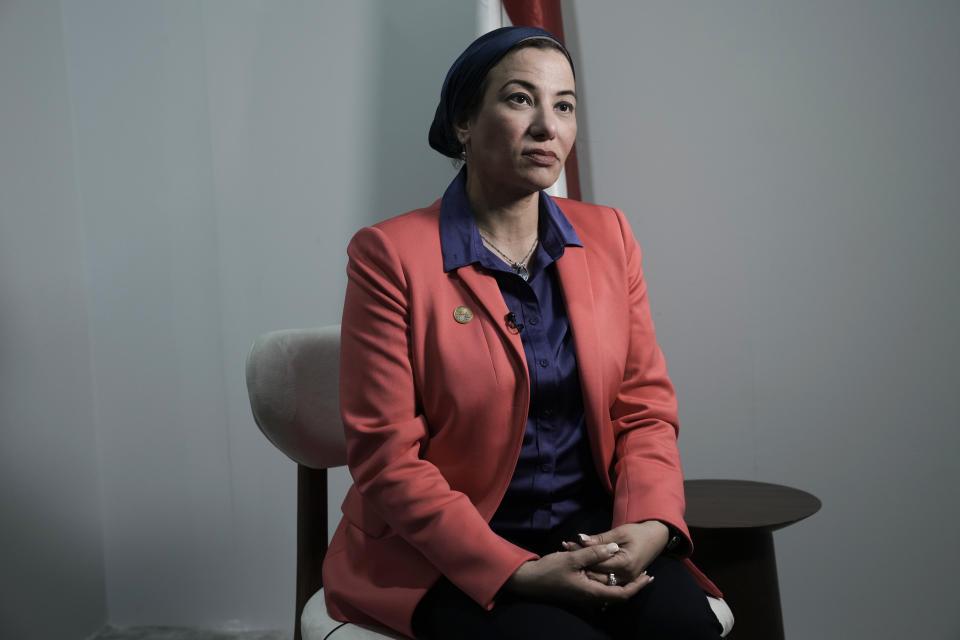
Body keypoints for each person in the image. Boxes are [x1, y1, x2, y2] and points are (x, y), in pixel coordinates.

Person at [322, 26, 726, 639]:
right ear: (464, 122)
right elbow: (387, 461)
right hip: (447, 551)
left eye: (563, 105)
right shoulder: (388, 255)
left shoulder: (610, 236)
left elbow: (642, 409)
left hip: (592, 529)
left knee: (683, 629)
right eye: (519, 99)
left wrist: (651, 525)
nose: (548, 127)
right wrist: (516, 572)